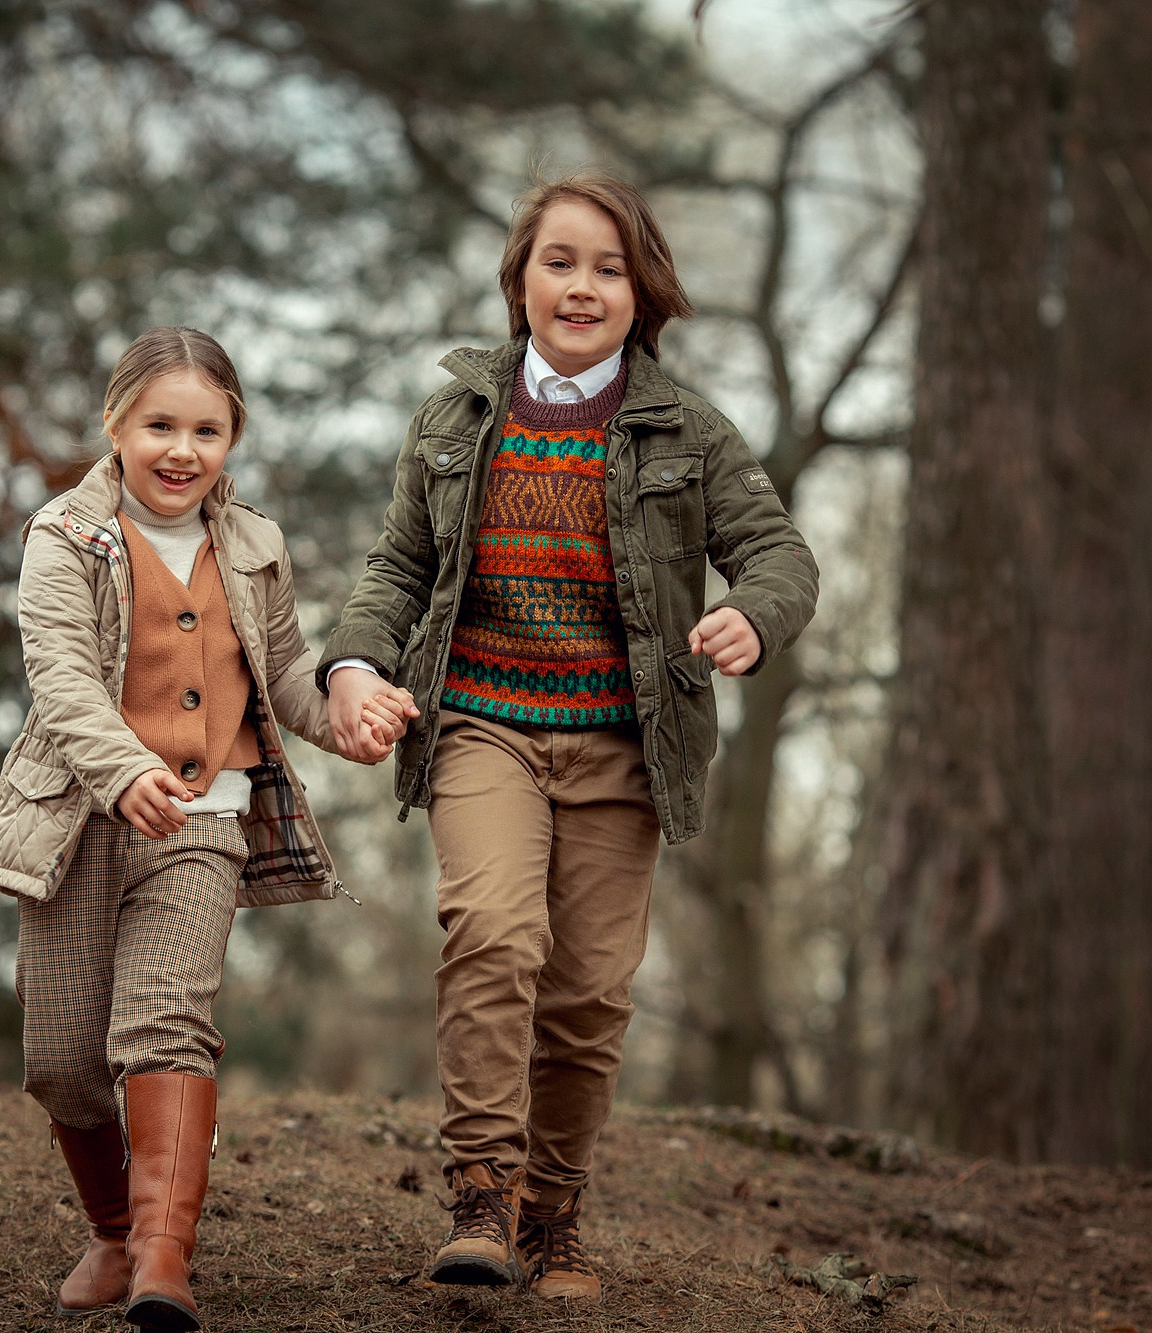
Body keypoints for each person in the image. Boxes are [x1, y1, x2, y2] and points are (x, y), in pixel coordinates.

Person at [321, 173, 819, 1301]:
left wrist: (753, 613)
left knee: (590, 993)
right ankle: (480, 1198)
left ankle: (552, 1212)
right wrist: (354, 665)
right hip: (481, 725)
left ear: (642, 291)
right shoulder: (454, 416)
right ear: (520, 281)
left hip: (622, 746)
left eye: (608, 267)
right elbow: (397, 566)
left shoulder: (687, 430)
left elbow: (781, 555)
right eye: (559, 262)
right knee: (492, 933)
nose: (582, 286)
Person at [0, 326, 411, 1329]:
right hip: (76, 818)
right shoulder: (63, 538)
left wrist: (344, 709)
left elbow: (282, 672)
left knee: (162, 1021)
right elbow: (64, 682)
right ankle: (116, 1229)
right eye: (159, 424)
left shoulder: (253, 544)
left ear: (232, 436)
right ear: (115, 424)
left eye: (206, 430)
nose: (180, 449)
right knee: (61, 1058)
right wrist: (121, 773)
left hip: (205, 819)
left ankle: (165, 1260)